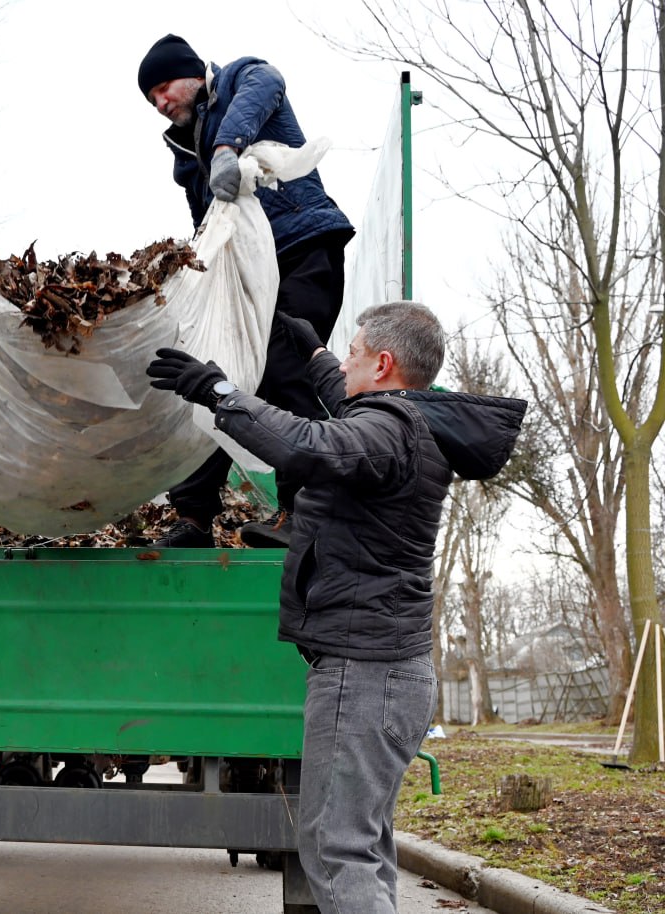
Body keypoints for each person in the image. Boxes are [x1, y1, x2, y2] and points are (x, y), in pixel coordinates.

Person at [147, 303, 527, 914]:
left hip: (363, 675)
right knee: (362, 846)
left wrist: (216, 390)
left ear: (383, 364)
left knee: (335, 849)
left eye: (353, 354)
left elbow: (304, 445)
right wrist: (318, 353)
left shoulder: (386, 430)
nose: (343, 365)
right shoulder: (406, 422)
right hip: (388, 673)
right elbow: (346, 403)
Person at [137, 34, 355, 549]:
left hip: (302, 249)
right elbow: (209, 223)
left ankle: (302, 513)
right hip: (243, 277)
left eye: (165, 88)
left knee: (285, 365)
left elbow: (269, 82)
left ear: (194, 74)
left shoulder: (240, 79)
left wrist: (225, 148)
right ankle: (193, 517)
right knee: (212, 374)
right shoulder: (184, 153)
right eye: (152, 101)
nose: (162, 104)